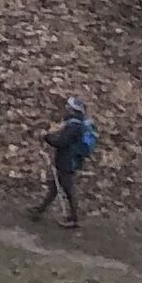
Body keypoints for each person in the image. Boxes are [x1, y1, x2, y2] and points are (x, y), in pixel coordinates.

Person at [30, 98, 96, 229]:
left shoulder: (74, 126)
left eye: (69, 106)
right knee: (55, 187)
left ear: (73, 109)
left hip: (68, 162)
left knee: (67, 189)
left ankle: (74, 218)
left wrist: (46, 137)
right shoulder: (73, 123)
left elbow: (61, 142)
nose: (66, 108)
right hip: (65, 160)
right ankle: (39, 210)